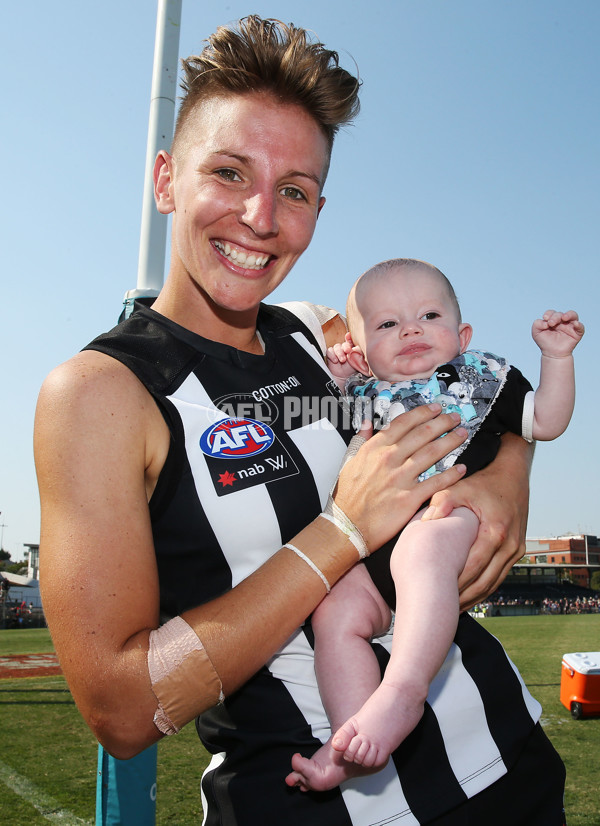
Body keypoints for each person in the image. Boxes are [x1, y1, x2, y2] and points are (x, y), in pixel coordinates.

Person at [34, 17, 563, 825]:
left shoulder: (325, 335)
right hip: (310, 800)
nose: (259, 216)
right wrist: (344, 530)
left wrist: (505, 476)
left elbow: (474, 394)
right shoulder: (101, 393)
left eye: (295, 190)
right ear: (167, 179)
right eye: (229, 172)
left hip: (511, 764)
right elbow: (121, 707)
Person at [286, 258, 583, 793]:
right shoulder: (362, 395)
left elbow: (545, 421)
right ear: (362, 347)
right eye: (386, 325)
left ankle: (402, 690)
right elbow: (308, 422)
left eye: (428, 314)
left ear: (462, 334)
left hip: (447, 519)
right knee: (335, 611)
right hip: (371, 552)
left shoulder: (482, 378)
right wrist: (341, 375)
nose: (411, 329)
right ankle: (349, 738)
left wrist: (555, 358)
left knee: (423, 550)